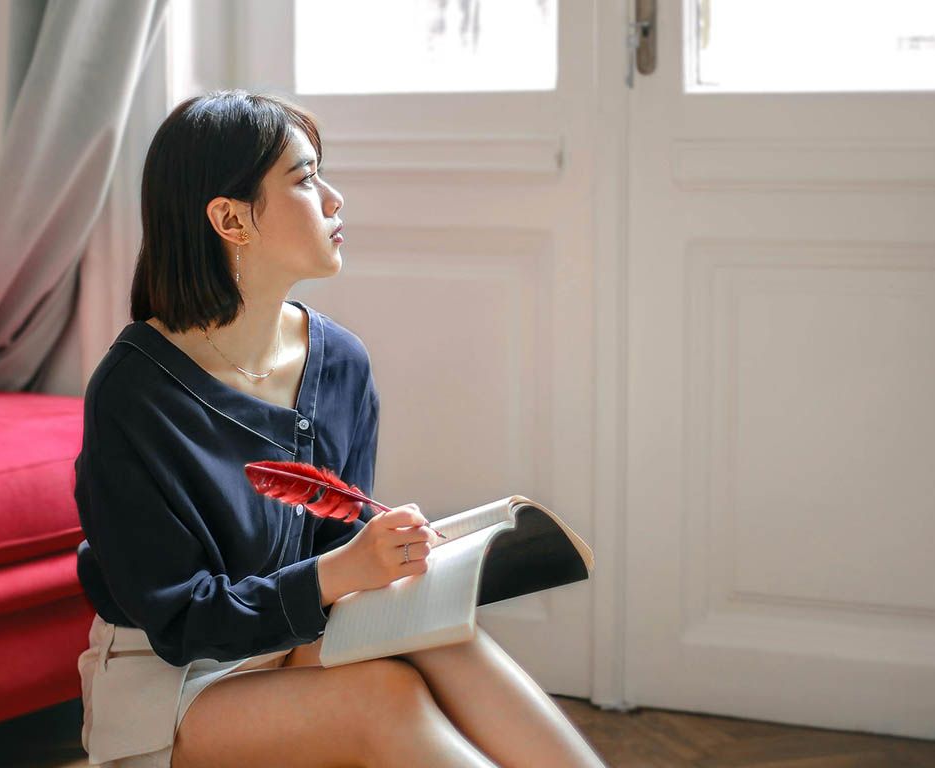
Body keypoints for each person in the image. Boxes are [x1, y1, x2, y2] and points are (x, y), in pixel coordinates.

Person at [74, 89, 604, 768]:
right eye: (303, 178)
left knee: (440, 634)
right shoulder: (135, 394)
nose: (333, 198)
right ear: (230, 219)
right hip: (172, 682)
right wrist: (342, 571)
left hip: (288, 638)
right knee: (380, 700)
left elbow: (335, 543)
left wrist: (394, 559)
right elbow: (180, 622)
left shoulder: (339, 361)